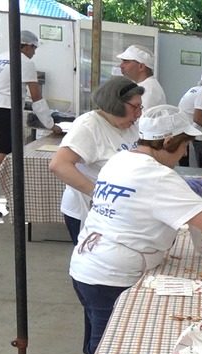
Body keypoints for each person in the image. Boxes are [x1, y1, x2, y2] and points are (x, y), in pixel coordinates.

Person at [68, 105, 202, 354]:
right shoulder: (158, 176)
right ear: (167, 141)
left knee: (98, 339)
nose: (185, 152)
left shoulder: (120, 160)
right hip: (111, 277)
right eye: (183, 145)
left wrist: (181, 188)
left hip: (86, 266)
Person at [0, 30, 60, 217]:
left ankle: (9, 197)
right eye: (33, 48)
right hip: (6, 109)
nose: (34, 52)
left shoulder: (0, 57)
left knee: (9, 153)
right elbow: (36, 96)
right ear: (26, 45)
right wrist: (50, 124)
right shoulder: (24, 61)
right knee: (6, 153)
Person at [49, 77, 144, 245]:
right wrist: (98, 194)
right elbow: (59, 165)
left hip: (120, 208)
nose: (139, 113)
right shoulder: (89, 126)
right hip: (89, 209)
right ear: (115, 104)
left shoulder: (130, 125)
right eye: (135, 107)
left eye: (140, 107)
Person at [178, 69, 202, 167]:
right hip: (193, 134)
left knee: (186, 165)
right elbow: (199, 118)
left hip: (182, 132)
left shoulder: (193, 89)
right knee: (199, 167)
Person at [116, 45, 166, 110]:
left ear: (141, 67)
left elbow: (140, 118)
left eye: (126, 61)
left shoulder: (149, 91)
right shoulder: (144, 86)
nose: (121, 66)